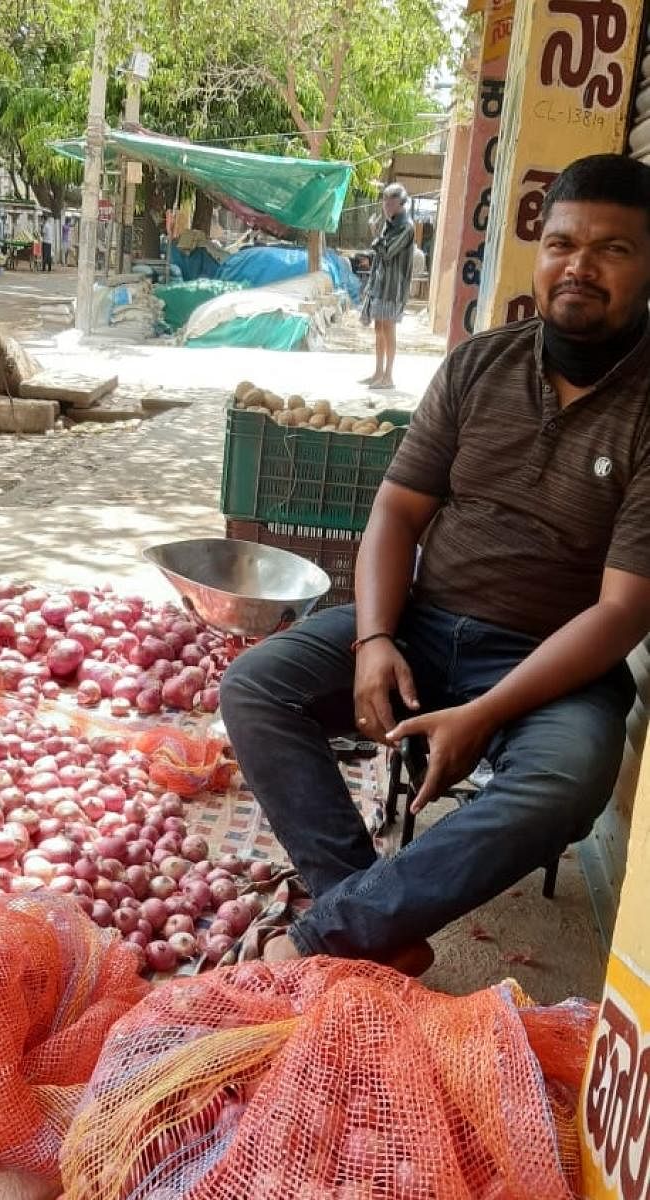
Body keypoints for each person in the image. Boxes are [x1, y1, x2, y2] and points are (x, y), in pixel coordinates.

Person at [220, 154, 650, 974]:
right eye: (562, 244)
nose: (579, 268)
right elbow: (397, 511)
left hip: (556, 663)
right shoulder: (479, 364)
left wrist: (485, 711)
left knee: (568, 782)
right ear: (539, 251)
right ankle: (375, 921)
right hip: (425, 623)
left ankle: (325, 937)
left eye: (614, 250)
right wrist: (376, 638)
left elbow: (624, 611)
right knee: (255, 685)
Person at [359, 182, 415, 390]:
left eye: (392, 204)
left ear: (402, 204)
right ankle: (378, 373)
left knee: (388, 329)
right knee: (379, 328)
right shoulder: (389, 223)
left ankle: (388, 377)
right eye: (385, 202)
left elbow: (387, 252)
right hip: (380, 286)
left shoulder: (406, 226)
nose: (387, 207)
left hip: (394, 288)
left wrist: (375, 234)